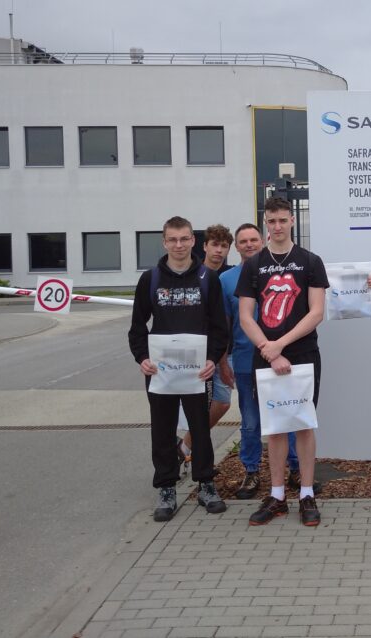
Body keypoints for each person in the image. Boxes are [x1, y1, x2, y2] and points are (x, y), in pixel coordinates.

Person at [128, 215, 229, 522]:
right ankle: (166, 488)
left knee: (200, 428)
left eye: (184, 238)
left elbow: (219, 327)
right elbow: (137, 327)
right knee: (162, 429)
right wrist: (142, 358)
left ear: (193, 241)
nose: (179, 245)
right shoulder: (151, 279)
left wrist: (212, 358)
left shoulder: (207, 279)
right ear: (164, 242)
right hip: (161, 372)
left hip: (197, 371)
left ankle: (206, 484)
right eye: (172, 239)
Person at [236, 197, 328, 527]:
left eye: (282, 220)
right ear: (266, 223)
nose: (277, 226)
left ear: (292, 220)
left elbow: (316, 312)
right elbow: (246, 316)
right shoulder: (254, 264)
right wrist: (269, 350)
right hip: (266, 356)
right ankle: (276, 496)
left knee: (303, 423)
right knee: (274, 427)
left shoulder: (310, 261)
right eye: (271, 221)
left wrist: (280, 346)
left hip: (303, 354)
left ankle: (306, 494)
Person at [219, 223, 302, 500]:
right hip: (245, 360)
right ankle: (252, 471)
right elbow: (224, 324)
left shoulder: (280, 270)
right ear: (236, 246)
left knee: (288, 415)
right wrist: (223, 361)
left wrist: (362, 283)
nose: (249, 245)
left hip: (283, 358)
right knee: (251, 421)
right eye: (243, 241)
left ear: (262, 240)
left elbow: (317, 290)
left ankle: (296, 469)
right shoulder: (226, 280)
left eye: (253, 239)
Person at [178, 224, 235, 462]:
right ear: (204, 246)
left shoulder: (229, 276)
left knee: (221, 403)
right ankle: (196, 455)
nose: (219, 250)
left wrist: (223, 360)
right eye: (215, 245)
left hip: (224, 350)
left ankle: (185, 446)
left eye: (224, 246)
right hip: (197, 351)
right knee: (198, 405)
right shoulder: (193, 274)